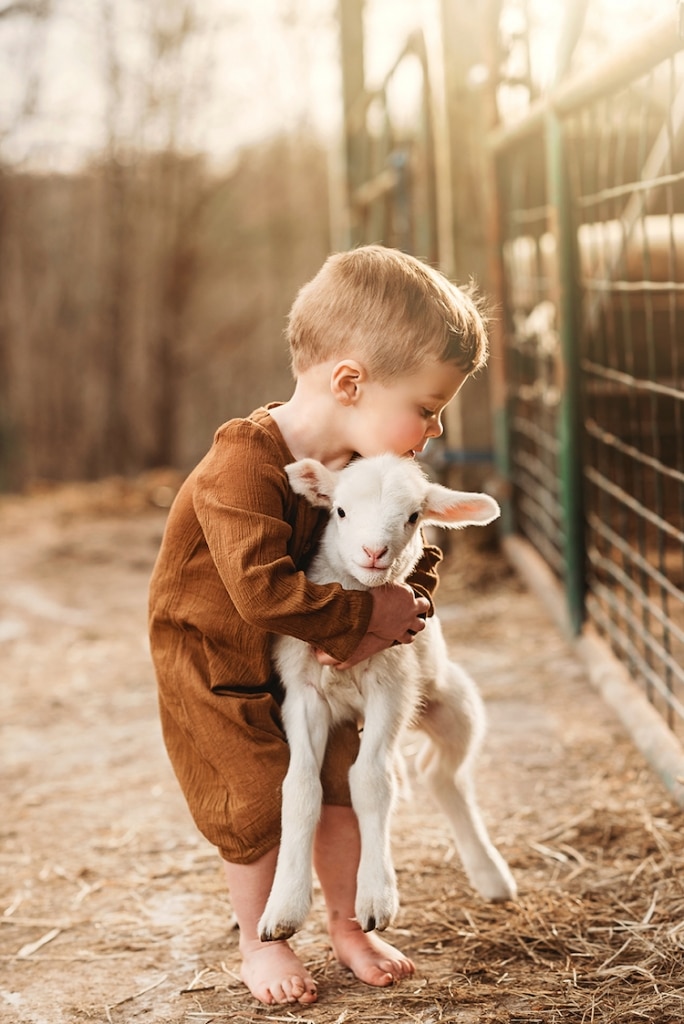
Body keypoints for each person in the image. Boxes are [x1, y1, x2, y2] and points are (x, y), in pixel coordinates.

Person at [148, 244, 489, 1006]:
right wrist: (366, 623)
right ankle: (261, 941)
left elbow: (410, 550)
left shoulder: (363, 468)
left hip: (311, 654)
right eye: (427, 409)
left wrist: (409, 606)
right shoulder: (245, 462)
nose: (431, 433)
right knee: (257, 795)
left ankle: (347, 924)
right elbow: (261, 592)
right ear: (350, 382)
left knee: (341, 774)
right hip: (220, 663)